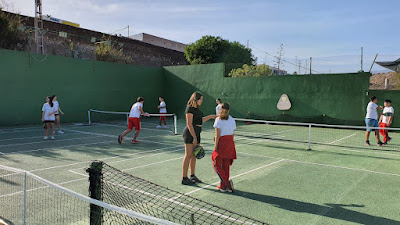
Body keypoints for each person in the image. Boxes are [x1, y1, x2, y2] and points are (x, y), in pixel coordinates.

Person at [182, 92, 217, 185]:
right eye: (200, 99)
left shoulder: (197, 109)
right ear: (195, 99)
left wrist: (211, 116)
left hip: (197, 133)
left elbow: (200, 120)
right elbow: (189, 124)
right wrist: (194, 137)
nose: (201, 101)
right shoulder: (189, 109)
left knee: (194, 155)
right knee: (188, 155)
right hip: (190, 133)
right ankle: (184, 178)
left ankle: (192, 176)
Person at [212, 103, 236, 192]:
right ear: (229, 110)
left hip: (222, 143)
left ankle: (227, 183)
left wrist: (215, 147)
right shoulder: (232, 120)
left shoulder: (218, 120)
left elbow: (217, 135)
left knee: (216, 165)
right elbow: (233, 134)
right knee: (226, 165)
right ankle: (223, 186)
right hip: (230, 143)